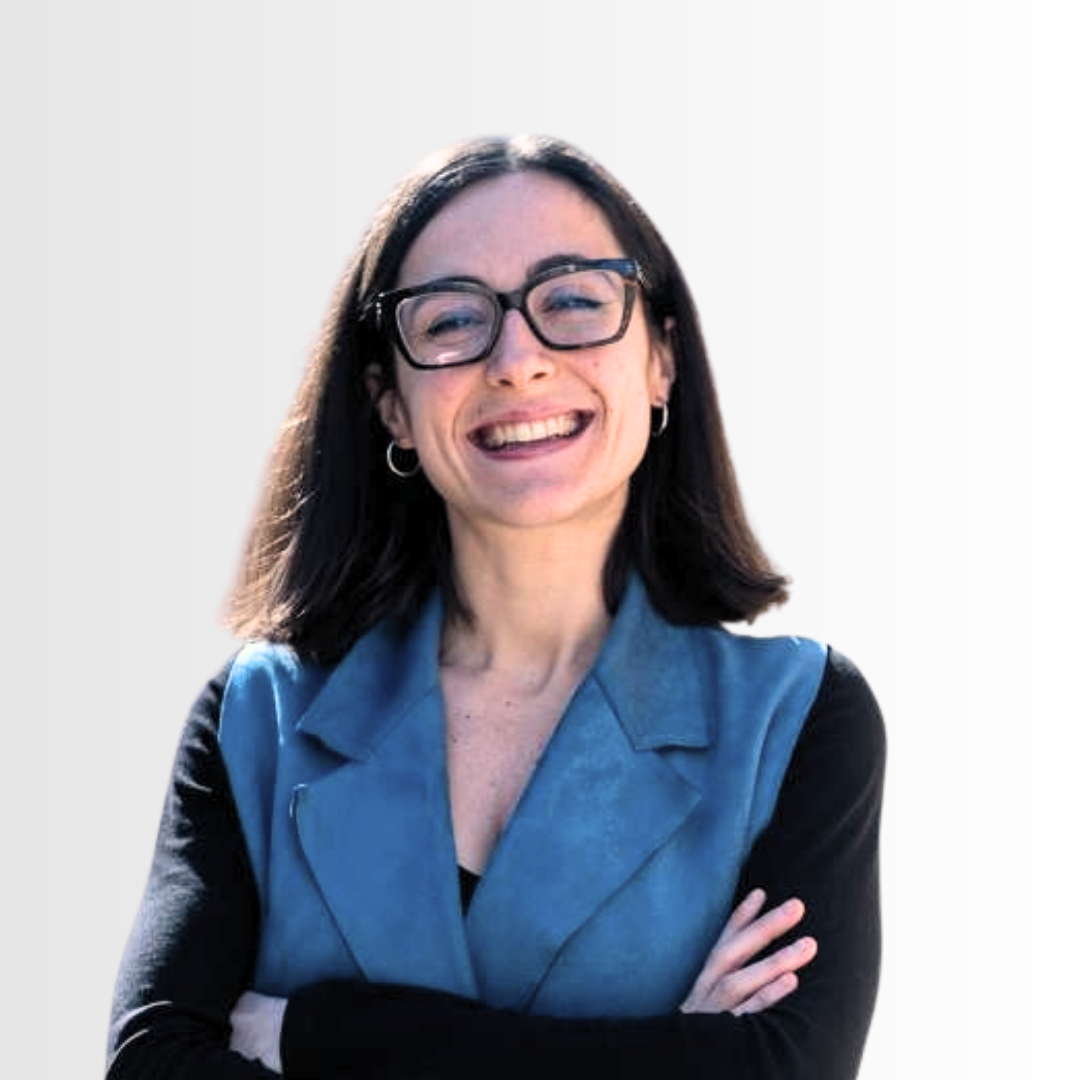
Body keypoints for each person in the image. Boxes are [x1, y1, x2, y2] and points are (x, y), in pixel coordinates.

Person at [106, 134, 886, 1079]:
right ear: (390, 404)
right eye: (451, 320)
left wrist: (324, 1034)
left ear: (661, 360)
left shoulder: (797, 719)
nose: (518, 360)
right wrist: (670, 1054)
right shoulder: (259, 718)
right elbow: (151, 1063)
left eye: (574, 302)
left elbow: (785, 1070)